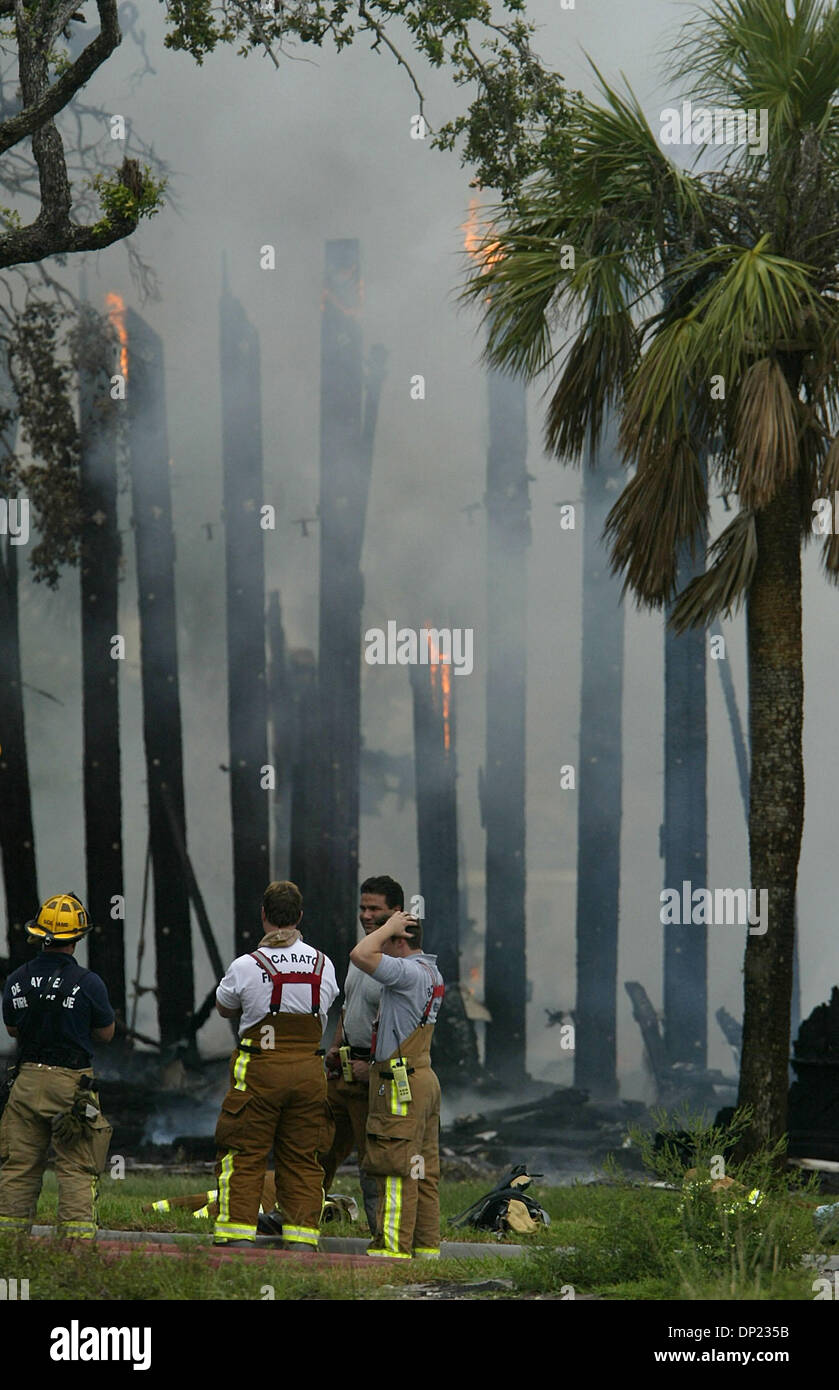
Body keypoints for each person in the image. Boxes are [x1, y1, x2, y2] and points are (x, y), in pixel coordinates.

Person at [212, 880, 338, 1248]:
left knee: (244, 1151)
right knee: (302, 1157)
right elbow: (327, 1006)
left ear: (263, 915)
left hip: (260, 1070)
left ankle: (237, 1238)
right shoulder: (323, 963)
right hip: (308, 1072)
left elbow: (224, 1008)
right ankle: (300, 1241)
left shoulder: (246, 965)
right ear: (299, 917)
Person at [0, 892, 114, 1239]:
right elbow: (106, 1033)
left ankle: (8, 1246)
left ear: (38, 935)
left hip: (27, 1083)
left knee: (18, 1167)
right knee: (78, 1166)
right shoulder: (89, 983)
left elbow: (12, 1027)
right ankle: (76, 1252)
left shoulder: (16, 979)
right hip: (73, 1089)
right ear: (77, 938)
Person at [350, 907, 444, 1260]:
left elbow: (360, 954)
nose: (381, 942)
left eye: (387, 936)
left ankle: (391, 1251)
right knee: (423, 1169)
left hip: (399, 1082)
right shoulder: (430, 971)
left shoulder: (406, 972)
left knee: (393, 1166)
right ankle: (425, 1249)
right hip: (422, 1077)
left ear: (401, 940)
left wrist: (388, 927)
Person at [321, 875, 404, 1233]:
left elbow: (405, 1029)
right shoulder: (362, 954)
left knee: (374, 1162)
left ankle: (384, 1236)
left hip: (372, 1078)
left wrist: (375, 1067)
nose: (366, 915)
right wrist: (335, 1046)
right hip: (344, 1073)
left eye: (376, 909)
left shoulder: (399, 965)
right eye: (363, 908)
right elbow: (347, 1004)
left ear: (397, 914)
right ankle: (299, 1219)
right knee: (317, 1148)